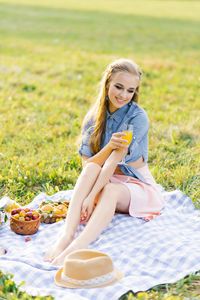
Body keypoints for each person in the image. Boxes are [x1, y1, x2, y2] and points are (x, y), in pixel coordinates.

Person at [44, 58, 165, 266]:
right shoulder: (93, 118)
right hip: (105, 179)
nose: (123, 95)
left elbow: (115, 161)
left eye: (130, 90)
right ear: (108, 83)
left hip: (135, 185)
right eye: (119, 87)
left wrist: (90, 197)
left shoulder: (137, 117)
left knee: (111, 191)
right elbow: (88, 167)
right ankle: (66, 235)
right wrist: (108, 146)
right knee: (92, 168)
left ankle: (76, 247)